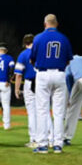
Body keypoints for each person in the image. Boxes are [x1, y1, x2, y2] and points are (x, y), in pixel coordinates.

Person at [30, 14, 74, 154]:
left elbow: (32, 59)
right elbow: (68, 60)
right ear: (57, 24)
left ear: (45, 24)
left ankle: (43, 144)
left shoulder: (38, 38)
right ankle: (58, 145)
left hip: (43, 74)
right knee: (59, 112)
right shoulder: (64, 38)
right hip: (60, 74)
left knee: (42, 110)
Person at [13, 34, 39, 147]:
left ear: (25, 43)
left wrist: (16, 89)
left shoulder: (23, 54)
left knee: (32, 113)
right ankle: (50, 139)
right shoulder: (40, 52)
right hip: (43, 82)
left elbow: (18, 75)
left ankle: (34, 139)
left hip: (30, 82)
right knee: (44, 111)